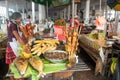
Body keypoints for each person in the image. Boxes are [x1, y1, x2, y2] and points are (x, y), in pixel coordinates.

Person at [6, 12, 27, 80]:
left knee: (11, 62)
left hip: (11, 44)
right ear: (16, 19)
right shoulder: (13, 25)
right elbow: (17, 37)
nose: (20, 21)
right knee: (16, 62)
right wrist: (25, 46)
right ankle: (16, 77)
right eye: (20, 20)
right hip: (12, 46)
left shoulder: (11, 23)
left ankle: (12, 77)